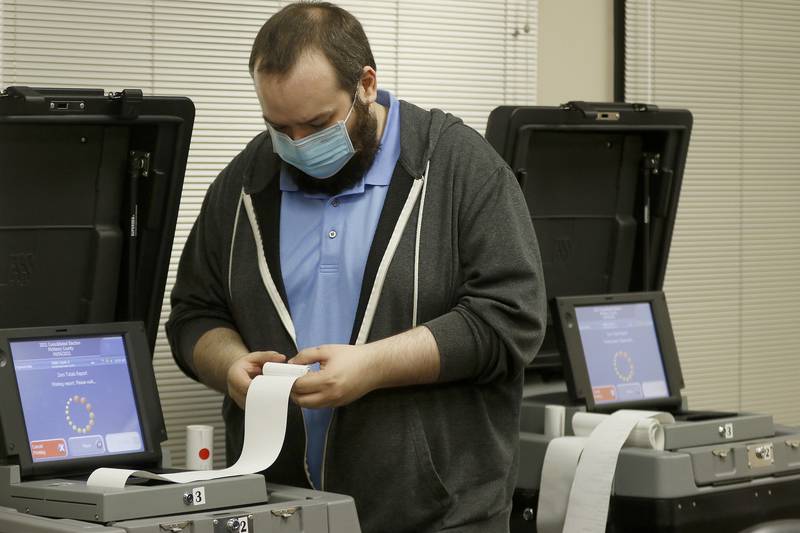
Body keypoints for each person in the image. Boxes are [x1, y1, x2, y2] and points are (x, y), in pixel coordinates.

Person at [166, 2, 546, 532]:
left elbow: (511, 320)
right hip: (280, 512)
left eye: (318, 124)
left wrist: (372, 366)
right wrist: (228, 363)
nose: (297, 147)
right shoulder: (246, 182)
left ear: (365, 84)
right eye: (280, 128)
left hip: (439, 516)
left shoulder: (460, 168)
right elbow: (193, 313)